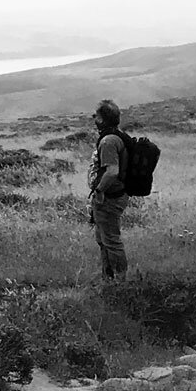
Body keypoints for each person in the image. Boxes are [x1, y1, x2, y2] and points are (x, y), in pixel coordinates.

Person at [89, 100, 129, 280]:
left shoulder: (108, 141)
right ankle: (108, 279)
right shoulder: (116, 136)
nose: (94, 118)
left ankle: (121, 283)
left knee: (111, 241)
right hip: (112, 194)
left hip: (109, 197)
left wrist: (99, 191)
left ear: (104, 119)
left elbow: (112, 171)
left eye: (97, 116)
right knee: (103, 239)